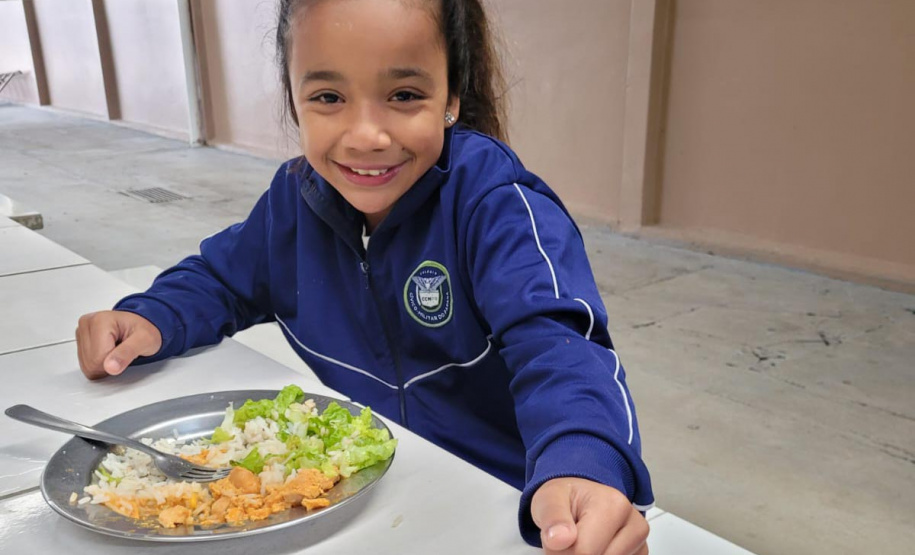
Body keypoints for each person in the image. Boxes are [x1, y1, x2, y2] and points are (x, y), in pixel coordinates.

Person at [75, 0, 654, 552]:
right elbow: (222, 279)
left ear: (451, 96)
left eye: (404, 95)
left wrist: (582, 462)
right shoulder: (292, 202)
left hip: (513, 507)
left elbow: (559, 347)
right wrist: (151, 317)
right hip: (370, 498)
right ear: (294, 100)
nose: (366, 136)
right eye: (329, 97)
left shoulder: (495, 205)